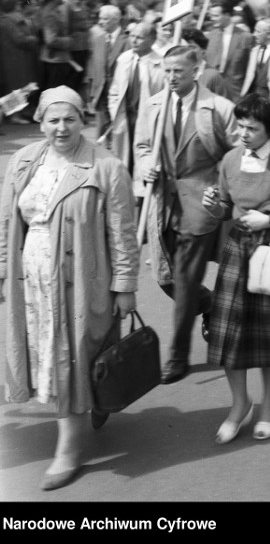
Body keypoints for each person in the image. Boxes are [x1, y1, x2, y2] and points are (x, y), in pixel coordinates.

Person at [0, 86, 139, 490]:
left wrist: (125, 285)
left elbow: (123, 232)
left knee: (73, 354)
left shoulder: (106, 166)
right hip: (34, 275)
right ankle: (90, 402)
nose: (62, 128)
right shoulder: (24, 160)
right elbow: (8, 223)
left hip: (82, 276)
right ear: (40, 122)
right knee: (48, 351)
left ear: (83, 120)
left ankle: (70, 448)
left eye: (70, 119)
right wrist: (4, 271)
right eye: (52, 120)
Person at [201, 94, 270, 444]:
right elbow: (224, 207)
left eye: (253, 128)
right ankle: (239, 404)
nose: (244, 134)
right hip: (236, 250)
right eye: (241, 126)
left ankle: (268, 406)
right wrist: (214, 206)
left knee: (266, 334)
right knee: (229, 332)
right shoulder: (231, 159)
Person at [135, 44, 239, 384]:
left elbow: (239, 154)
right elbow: (142, 148)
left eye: (178, 71)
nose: (171, 77)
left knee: (184, 280)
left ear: (196, 70)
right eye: (166, 71)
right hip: (162, 206)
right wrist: (146, 165)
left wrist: (220, 186)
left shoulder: (218, 109)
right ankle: (209, 304)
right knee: (165, 279)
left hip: (199, 208)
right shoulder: (153, 106)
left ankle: (177, 357)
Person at [107, 21, 165, 202]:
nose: (134, 40)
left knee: (143, 154)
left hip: (146, 119)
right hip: (125, 117)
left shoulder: (160, 64)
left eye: (140, 37)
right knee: (123, 155)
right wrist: (114, 110)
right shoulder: (124, 58)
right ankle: (124, 192)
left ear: (152, 39)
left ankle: (141, 195)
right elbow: (115, 90)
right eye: (132, 36)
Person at [85, 4, 129, 138]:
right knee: (102, 129)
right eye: (100, 18)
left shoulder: (128, 40)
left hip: (120, 91)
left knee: (120, 128)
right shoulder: (99, 40)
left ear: (116, 20)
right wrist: (92, 93)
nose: (100, 22)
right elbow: (94, 67)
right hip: (101, 91)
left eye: (104, 19)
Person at [205, 0, 254, 102]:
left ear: (227, 15)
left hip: (235, 93)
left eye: (216, 16)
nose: (212, 19)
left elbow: (251, 69)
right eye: (211, 16)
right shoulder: (210, 36)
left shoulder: (245, 37)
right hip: (211, 92)